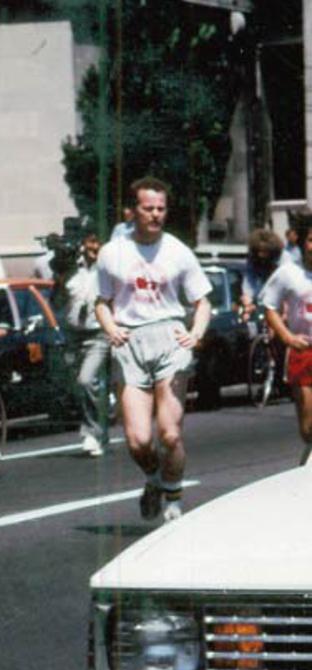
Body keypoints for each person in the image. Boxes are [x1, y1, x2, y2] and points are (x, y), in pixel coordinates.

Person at [94, 176, 211, 522]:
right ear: (132, 211)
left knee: (170, 433)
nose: (156, 214)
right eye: (149, 208)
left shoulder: (178, 251)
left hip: (171, 339)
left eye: (161, 208)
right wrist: (111, 326)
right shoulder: (111, 252)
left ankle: (173, 500)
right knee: (138, 440)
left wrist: (196, 332)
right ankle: (154, 480)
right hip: (130, 342)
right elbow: (102, 301)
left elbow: (202, 301)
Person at [259, 228, 312, 464]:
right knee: (309, 427)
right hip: (304, 351)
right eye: (311, 240)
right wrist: (288, 337)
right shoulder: (289, 274)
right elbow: (269, 307)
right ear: (302, 244)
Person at [63, 233, 110, 457]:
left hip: (99, 333)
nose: (94, 246)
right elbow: (58, 297)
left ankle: (92, 432)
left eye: (98, 242)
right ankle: (101, 427)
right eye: (90, 241)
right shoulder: (71, 268)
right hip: (74, 334)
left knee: (86, 380)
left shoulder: (108, 268)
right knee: (78, 386)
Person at [240, 229, 283, 324]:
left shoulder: (282, 262)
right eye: (258, 251)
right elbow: (248, 281)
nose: (260, 255)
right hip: (260, 303)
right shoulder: (252, 260)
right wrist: (247, 299)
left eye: (264, 251)